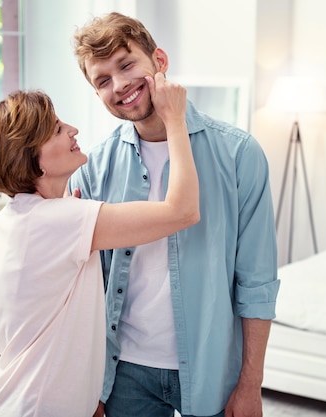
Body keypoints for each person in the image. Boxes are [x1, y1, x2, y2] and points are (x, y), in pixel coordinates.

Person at [69, 12, 279, 417]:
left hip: (212, 367)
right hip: (123, 373)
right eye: (103, 80)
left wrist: (251, 383)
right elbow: (86, 288)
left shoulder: (239, 154)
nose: (120, 86)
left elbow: (257, 282)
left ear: (159, 60)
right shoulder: (93, 167)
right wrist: (90, 385)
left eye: (127, 65)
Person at [0, 79, 199, 417]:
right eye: (58, 129)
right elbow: (182, 211)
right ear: (35, 160)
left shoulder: (15, 218)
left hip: (19, 400)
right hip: (36, 406)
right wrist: (175, 120)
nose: (73, 130)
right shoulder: (61, 221)